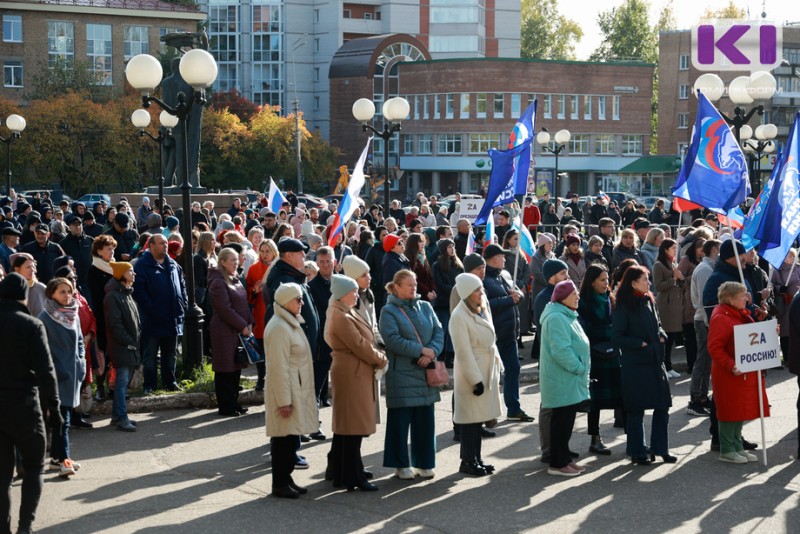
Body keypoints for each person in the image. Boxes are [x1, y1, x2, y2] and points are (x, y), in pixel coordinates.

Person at [0, 273, 61, 534]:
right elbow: (46, 371)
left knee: (2, 477)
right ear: (23, 295)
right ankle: (25, 526)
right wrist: (54, 408)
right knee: (34, 468)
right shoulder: (31, 325)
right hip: (24, 405)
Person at [325, 274, 388, 491]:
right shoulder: (340, 314)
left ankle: (346, 471)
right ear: (343, 294)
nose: (356, 295)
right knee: (352, 426)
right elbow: (359, 344)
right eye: (352, 292)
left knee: (349, 426)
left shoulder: (344, 309)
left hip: (355, 370)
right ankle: (352, 475)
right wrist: (381, 358)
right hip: (352, 371)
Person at [379, 269, 443, 480]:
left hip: (426, 371)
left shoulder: (425, 306)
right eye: (409, 284)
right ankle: (400, 464)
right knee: (400, 421)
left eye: (415, 284)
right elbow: (392, 340)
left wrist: (432, 350)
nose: (414, 288)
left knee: (425, 421)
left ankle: (424, 463)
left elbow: (438, 330)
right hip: (403, 374)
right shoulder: (389, 311)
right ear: (396, 287)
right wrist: (420, 350)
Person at [612, 265, 675, 466]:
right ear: (633, 282)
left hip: (655, 361)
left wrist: (662, 334)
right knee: (636, 409)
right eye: (645, 280)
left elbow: (657, 324)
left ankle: (660, 448)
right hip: (636, 364)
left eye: (648, 279)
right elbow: (617, 336)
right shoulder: (623, 305)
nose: (648, 283)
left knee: (662, 406)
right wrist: (640, 343)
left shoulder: (649, 300)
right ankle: (637, 451)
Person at [264, 283, 319, 499]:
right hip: (286, 391)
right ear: (287, 301)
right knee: (282, 438)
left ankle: (286, 479)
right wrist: (284, 401)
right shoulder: (279, 327)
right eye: (298, 299)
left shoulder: (288, 322)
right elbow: (278, 368)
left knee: (288, 437)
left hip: (295, 388)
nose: (302, 303)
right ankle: (279, 483)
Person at [450, 273, 503, 477]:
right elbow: (463, 352)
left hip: (486, 368)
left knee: (478, 419)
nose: (482, 292)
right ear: (467, 294)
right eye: (477, 290)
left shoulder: (481, 309)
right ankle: (467, 460)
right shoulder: (459, 316)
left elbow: (491, 340)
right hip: (472, 374)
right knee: (469, 421)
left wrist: (499, 366)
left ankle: (477, 458)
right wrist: (475, 380)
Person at [707, 282, 767, 463]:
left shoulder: (737, 314)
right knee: (729, 410)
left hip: (740, 371)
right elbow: (714, 347)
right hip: (728, 373)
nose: (746, 298)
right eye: (742, 295)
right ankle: (727, 449)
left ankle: (737, 446)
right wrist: (730, 364)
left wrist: (768, 333)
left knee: (739, 410)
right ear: (730, 299)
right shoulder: (721, 318)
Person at [540, 280, 590, 476]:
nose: (578, 296)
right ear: (563, 298)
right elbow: (561, 351)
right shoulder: (556, 318)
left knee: (566, 421)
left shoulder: (565, 314)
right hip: (562, 378)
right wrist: (579, 367)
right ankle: (557, 463)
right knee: (561, 423)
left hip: (568, 379)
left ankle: (565, 459)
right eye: (574, 294)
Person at [39, 277, 86, 477]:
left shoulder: (73, 313)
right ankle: (64, 459)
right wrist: (55, 370)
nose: (67, 296)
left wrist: (81, 362)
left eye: (69, 291)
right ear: (51, 294)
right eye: (62, 292)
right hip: (57, 376)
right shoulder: (45, 317)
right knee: (62, 420)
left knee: (63, 418)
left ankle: (57, 460)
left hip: (74, 373)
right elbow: (42, 350)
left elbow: (81, 341)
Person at [133, 233, 187, 393]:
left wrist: (183, 303)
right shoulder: (142, 265)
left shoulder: (173, 264)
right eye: (161, 243)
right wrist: (152, 308)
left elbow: (182, 285)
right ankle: (149, 385)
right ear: (151, 246)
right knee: (150, 356)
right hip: (152, 319)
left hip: (172, 318)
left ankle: (170, 382)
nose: (165, 246)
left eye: (166, 243)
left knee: (170, 355)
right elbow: (139, 291)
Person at [578, 263, 623, 456]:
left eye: (607, 280)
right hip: (595, 355)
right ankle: (595, 438)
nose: (606, 284)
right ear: (592, 281)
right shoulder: (584, 302)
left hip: (613, 354)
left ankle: (634, 439)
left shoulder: (610, 299)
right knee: (595, 401)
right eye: (602, 280)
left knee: (620, 396)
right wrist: (610, 332)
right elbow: (584, 330)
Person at [208, 247, 253, 417]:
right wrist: (243, 325)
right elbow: (224, 309)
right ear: (223, 262)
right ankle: (226, 406)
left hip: (238, 330)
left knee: (236, 368)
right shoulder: (218, 282)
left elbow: (243, 303)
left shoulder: (235, 278)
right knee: (225, 369)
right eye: (232, 260)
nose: (236, 262)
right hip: (224, 331)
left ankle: (234, 402)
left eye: (237, 259)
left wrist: (249, 322)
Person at [103, 262, 140, 432]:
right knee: (121, 383)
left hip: (129, 345)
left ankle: (118, 416)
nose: (134, 274)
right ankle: (121, 418)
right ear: (121, 274)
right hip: (122, 347)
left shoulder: (126, 293)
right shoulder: (113, 296)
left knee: (122, 383)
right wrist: (130, 341)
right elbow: (115, 325)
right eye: (130, 271)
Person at [688, 239, 720, 416]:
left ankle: (702, 396)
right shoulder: (704, 270)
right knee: (702, 359)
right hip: (704, 320)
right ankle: (695, 399)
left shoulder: (709, 268)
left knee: (707, 359)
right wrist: (710, 322)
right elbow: (704, 301)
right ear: (714, 250)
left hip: (707, 319)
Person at [87, 235, 116, 401]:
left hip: (117, 316)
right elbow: (97, 297)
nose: (112, 251)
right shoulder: (94, 270)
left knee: (115, 354)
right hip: (102, 316)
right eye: (108, 248)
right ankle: (100, 388)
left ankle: (114, 387)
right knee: (102, 353)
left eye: (113, 248)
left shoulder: (116, 266)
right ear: (99, 251)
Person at [653, 238, 684, 378]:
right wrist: (673, 279)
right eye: (673, 248)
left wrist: (681, 278)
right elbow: (658, 286)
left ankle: (669, 365)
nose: (675, 251)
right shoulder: (658, 265)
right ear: (665, 249)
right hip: (665, 305)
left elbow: (680, 284)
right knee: (665, 337)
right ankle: (664, 365)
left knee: (671, 337)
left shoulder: (673, 263)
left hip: (675, 304)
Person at [432, 238, 462, 367]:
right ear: (444, 249)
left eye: (453, 247)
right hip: (444, 302)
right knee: (443, 329)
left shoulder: (458, 264)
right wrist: (454, 290)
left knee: (453, 330)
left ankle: (450, 354)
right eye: (449, 247)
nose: (452, 249)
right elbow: (439, 284)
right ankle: (441, 354)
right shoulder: (437, 265)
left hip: (456, 302)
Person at [771, 248, 800, 361]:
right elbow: (771, 284)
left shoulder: (797, 267)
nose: (793, 258)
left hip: (797, 302)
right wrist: (780, 288)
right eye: (790, 256)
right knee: (786, 331)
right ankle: (787, 358)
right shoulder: (777, 270)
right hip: (786, 304)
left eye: (793, 256)